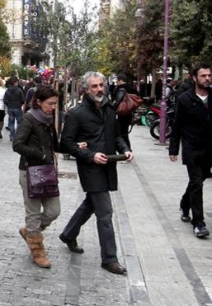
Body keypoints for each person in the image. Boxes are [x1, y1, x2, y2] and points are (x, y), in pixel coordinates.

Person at [58, 71, 133, 275]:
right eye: (94, 86)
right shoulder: (76, 113)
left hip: (108, 165)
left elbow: (117, 135)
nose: (99, 89)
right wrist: (90, 155)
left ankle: (68, 234)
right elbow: (66, 143)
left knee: (91, 203)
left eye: (101, 85)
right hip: (90, 167)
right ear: (86, 89)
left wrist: (125, 149)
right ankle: (109, 258)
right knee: (105, 212)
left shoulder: (109, 108)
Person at [169, 64, 212, 238]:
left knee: (198, 181)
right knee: (196, 182)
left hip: (210, 147)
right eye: (203, 76)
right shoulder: (185, 98)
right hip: (192, 147)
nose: (207, 78)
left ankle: (185, 204)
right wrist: (173, 148)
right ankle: (198, 223)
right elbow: (177, 124)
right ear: (195, 78)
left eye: (209, 75)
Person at [13, 85, 62, 269]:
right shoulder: (29, 119)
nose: (53, 107)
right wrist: (40, 154)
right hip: (30, 171)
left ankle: (29, 232)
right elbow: (17, 144)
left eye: (55, 104)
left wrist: (75, 146)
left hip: (47, 172)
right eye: (50, 103)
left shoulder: (49, 119)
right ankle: (37, 250)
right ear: (39, 102)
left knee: (53, 210)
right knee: (33, 213)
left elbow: (55, 144)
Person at [112, 74, 138, 148]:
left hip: (121, 113)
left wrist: (112, 110)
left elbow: (117, 101)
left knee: (121, 133)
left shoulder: (120, 89)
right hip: (129, 113)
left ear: (120, 80)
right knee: (124, 132)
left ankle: (126, 149)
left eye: (117, 81)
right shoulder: (131, 88)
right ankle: (127, 149)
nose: (117, 82)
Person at [4, 77, 25, 141]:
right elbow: (22, 100)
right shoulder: (19, 90)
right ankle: (17, 135)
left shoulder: (7, 91)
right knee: (19, 122)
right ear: (15, 82)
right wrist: (20, 104)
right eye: (17, 82)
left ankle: (12, 136)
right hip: (18, 107)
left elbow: (5, 100)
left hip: (10, 108)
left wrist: (9, 104)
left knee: (11, 122)